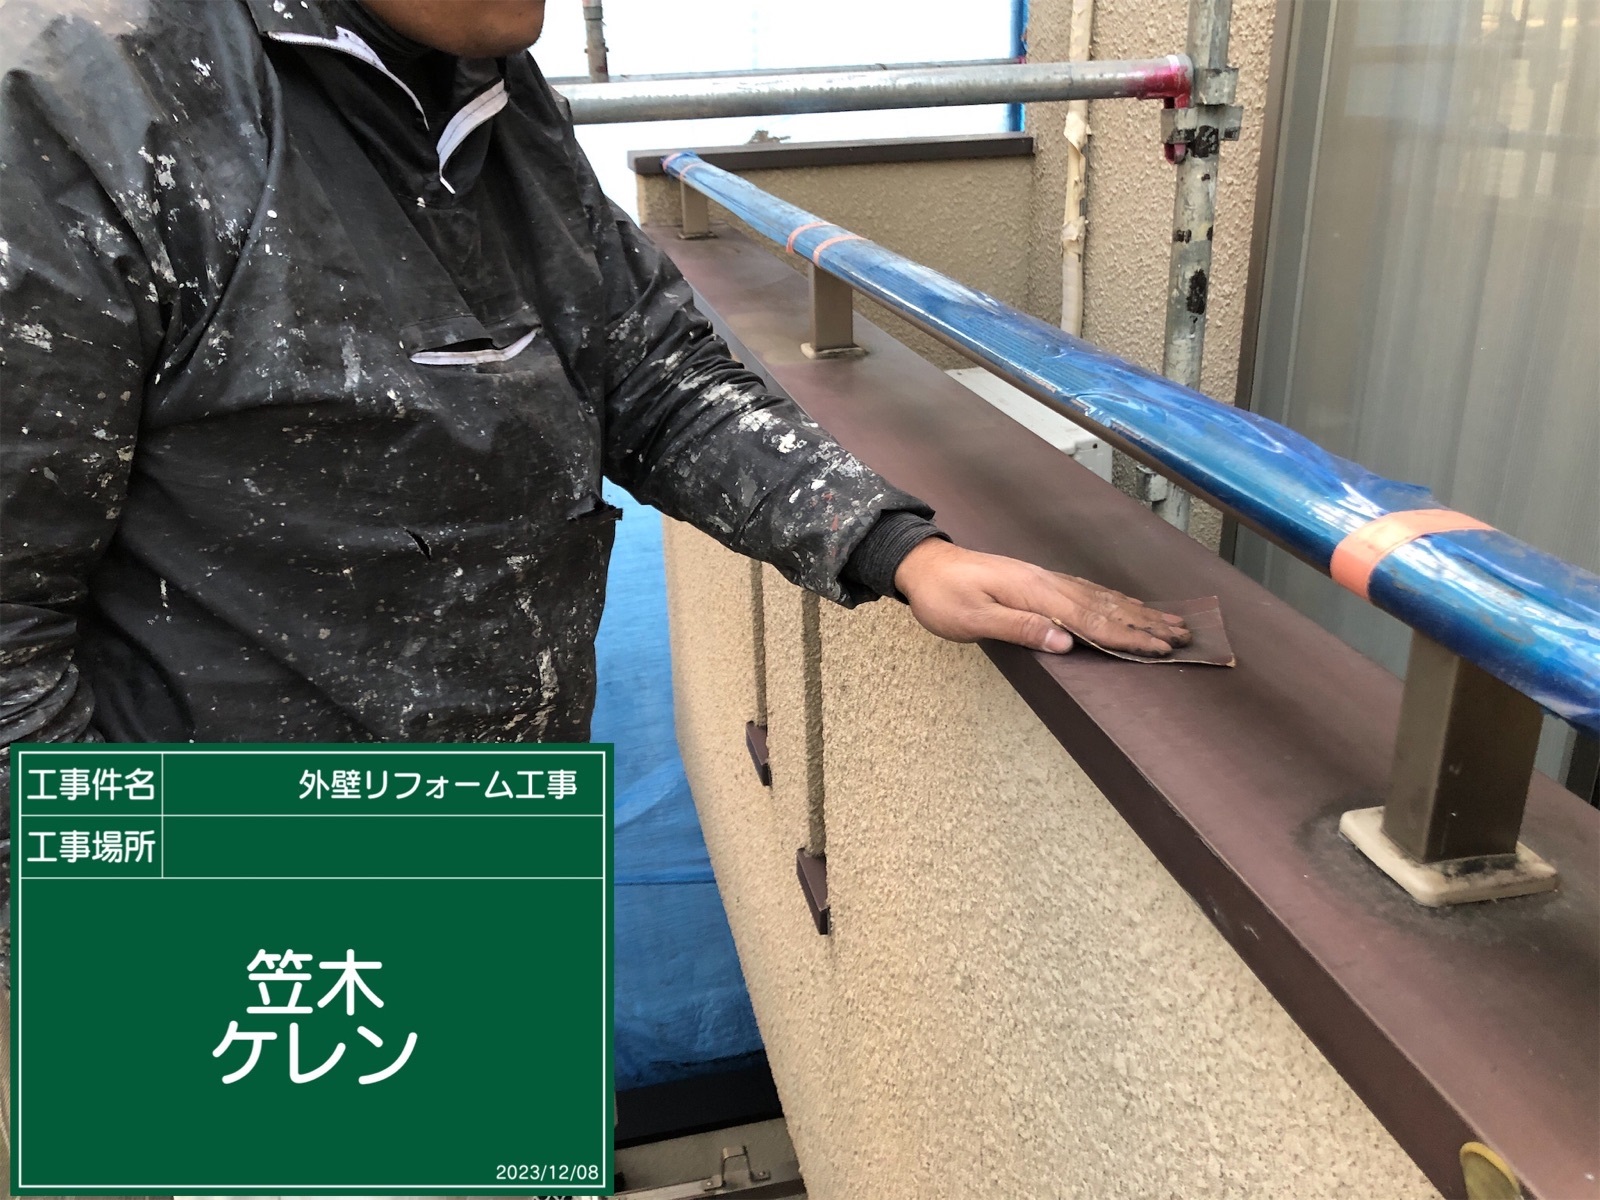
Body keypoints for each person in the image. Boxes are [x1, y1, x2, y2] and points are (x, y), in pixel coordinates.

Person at [0, 0, 1191, 980]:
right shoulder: (91, 113)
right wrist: (117, 952)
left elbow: (644, 371)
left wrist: (893, 545)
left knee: (478, 1153)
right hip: (230, 887)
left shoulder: (487, 94)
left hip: (486, 841)